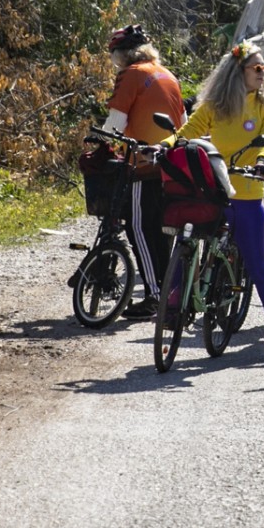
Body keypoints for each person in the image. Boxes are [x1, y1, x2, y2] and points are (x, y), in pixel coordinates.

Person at [160, 42, 264, 362]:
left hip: (247, 191)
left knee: (258, 265)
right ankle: (174, 300)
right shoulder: (217, 104)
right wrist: (164, 144)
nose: (263, 74)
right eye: (257, 68)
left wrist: (261, 160)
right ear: (237, 72)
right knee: (185, 236)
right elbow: (189, 131)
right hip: (215, 189)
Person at [101, 25, 185, 321]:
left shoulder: (131, 74)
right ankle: (169, 291)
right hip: (172, 164)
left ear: (122, 55)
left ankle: (152, 294)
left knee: (138, 228)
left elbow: (114, 124)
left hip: (142, 163)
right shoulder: (167, 75)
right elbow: (183, 121)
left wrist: (98, 144)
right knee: (161, 231)